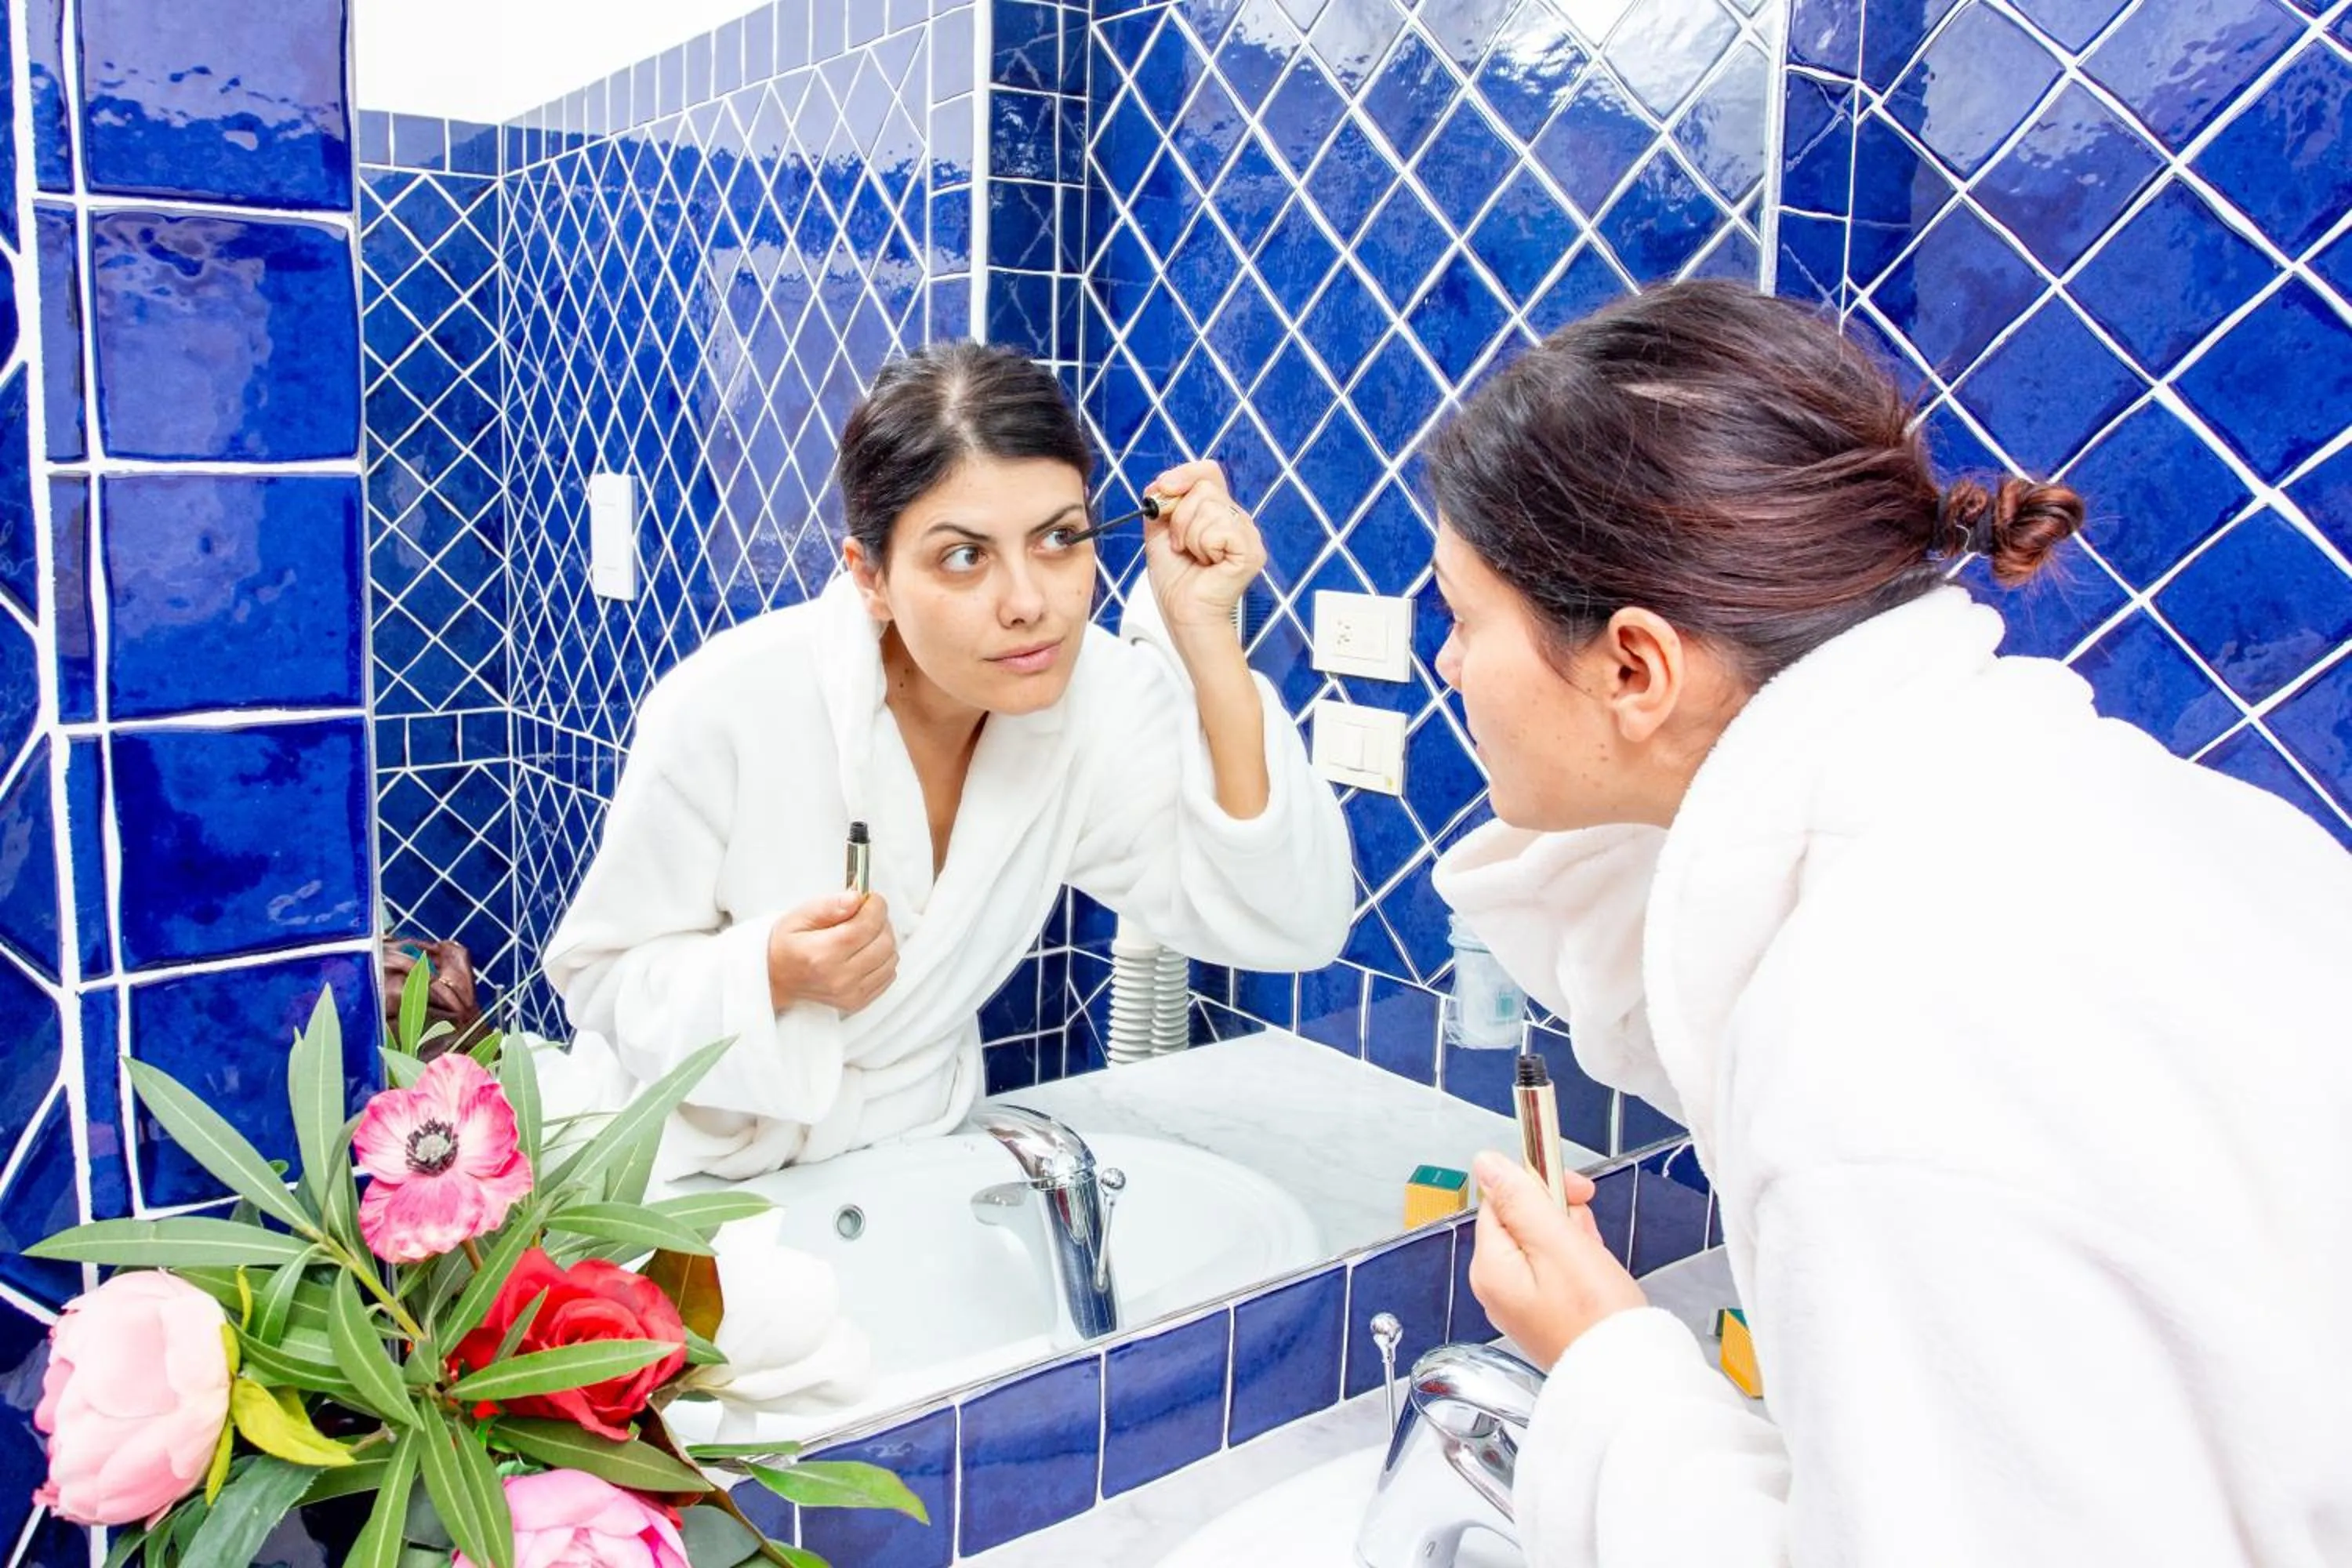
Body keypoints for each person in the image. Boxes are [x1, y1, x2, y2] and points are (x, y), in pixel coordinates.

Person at [1430, 281, 2352, 1565]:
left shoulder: (1878, 1045)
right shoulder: (2080, 813)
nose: (1448, 668)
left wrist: (1604, 1367)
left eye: (1463, 620)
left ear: (1636, 666)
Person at [543, 341, 1352, 1178]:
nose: (1029, 603)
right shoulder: (725, 702)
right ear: (871, 575)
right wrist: (770, 971)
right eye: (964, 556)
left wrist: (1205, 638)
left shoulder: (1092, 698)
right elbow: (598, 981)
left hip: (908, 1162)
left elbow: (1291, 917)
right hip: (689, 1177)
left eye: (1059, 539)